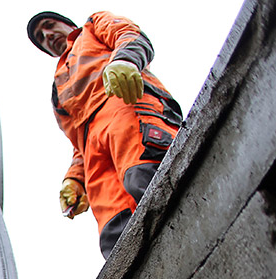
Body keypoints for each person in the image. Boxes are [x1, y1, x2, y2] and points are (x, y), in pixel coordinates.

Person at [27, 11, 183, 258]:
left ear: (67, 24)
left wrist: (126, 60)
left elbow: (129, 34)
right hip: (94, 153)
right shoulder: (58, 88)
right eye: (41, 38)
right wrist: (75, 179)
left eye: (48, 26)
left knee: (149, 182)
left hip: (126, 106)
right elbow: (79, 143)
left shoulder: (92, 27)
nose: (47, 36)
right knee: (115, 233)